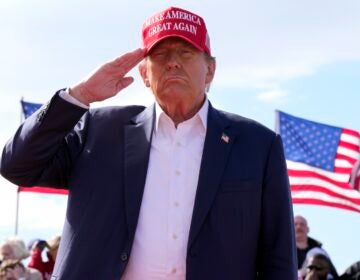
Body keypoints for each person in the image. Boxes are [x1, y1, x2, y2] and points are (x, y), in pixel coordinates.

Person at [0, 6, 297, 280]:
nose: (172, 63)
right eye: (160, 55)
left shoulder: (258, 145)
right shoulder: (99, 131)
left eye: (186, 52)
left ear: (210, 70)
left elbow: (278, 256)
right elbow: (17, 166)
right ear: (144, 73)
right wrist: (79, 96)